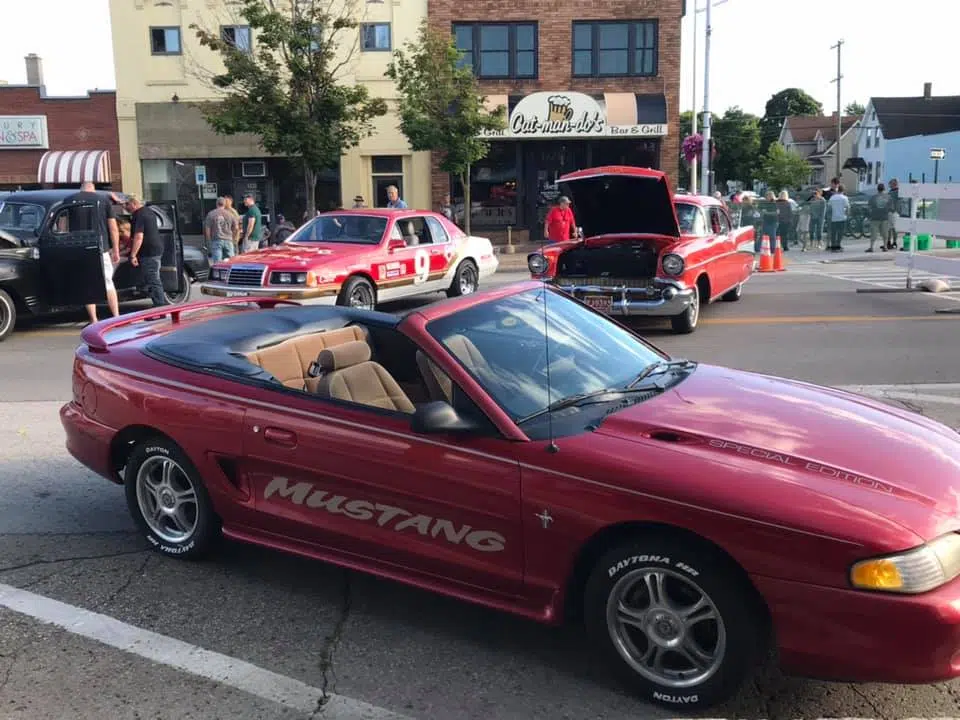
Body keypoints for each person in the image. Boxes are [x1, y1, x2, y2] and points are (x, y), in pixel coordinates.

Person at [75, 181, 120, 325]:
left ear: (81, 189)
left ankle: (94, 319)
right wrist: (116, 249)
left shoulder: (71, 200)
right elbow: (113, 228)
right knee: (108, 282)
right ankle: (116, 316)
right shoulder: (104, 201)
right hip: (102, 248)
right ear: (93, 189)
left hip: (80, 247)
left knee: (87, 284)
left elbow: (63, 226)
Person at [124, 194, 168, 306]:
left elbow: (139, 236)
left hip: (149, 252)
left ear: (134, 203)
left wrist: (133, 255)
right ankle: (158, 303)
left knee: (153, 280)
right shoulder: (149, 211)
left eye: (127, 204)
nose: (126, 207)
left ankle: (160, 307)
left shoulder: (139, 215)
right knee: (151, 279)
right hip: (154, 250)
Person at [204, 196, 240, 262]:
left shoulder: (211, 214)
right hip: (228, 240)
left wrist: (209, 240)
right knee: (230, 262)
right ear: (224, 204)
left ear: (216, 204)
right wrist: (233, 237)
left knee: (218, 262)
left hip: (216, 240)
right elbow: (236, 228)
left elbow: (207, 229)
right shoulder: (230, 214)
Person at [866, 183, 893, 253]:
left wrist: (870, 215)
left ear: (877, 189)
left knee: (873, 233)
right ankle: (885, 247)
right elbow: (891, 208)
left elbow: (869, 207)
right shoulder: (888, 197)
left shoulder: (873, 197)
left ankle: (871, 247)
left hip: (875, 217)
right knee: (885, 233)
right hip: (885, 217)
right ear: (884, 189)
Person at [826, 183, 850, 252]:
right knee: (840, 233)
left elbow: (829, 207)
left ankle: (833, 246)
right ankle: (838, 245)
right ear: (843, 190)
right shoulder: (844, 198)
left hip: (834, 218)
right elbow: (847, 207)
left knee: (833, 232)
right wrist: (847, 215)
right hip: (842, 217)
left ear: (837, 190)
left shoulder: (832, 198)